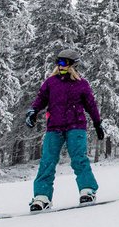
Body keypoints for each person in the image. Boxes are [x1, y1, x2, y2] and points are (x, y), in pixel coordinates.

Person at [24, 49, 105, 211]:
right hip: (54, 127)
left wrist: (97, 123)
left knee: (79, 159)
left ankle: (87, 190)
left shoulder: (82, 84)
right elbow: (40, 99)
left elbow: (91, 105)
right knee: (47, 161)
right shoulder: (51, 82)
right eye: (58, 62)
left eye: (63, 62)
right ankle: (42, 197)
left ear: (73, 64)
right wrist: (33, 111)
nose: (60, 65)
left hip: (76, 126)